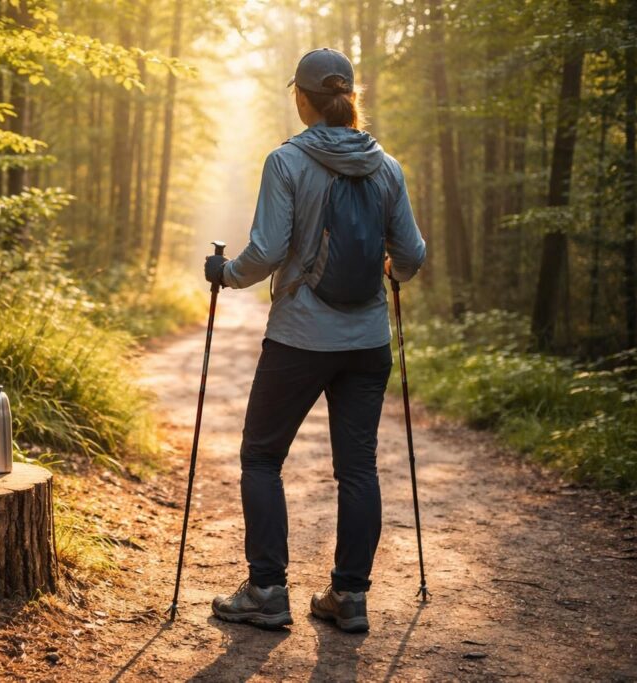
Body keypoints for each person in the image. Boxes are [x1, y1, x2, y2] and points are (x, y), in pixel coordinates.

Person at [204, 48, 427, 632]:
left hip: (299, 338)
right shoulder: (387, 167)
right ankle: (349, 597)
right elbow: (411, 254)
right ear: (350, 97)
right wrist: (393, 272)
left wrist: (225, 275)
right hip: (368, 341)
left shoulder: (286, 161)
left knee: (261, 457)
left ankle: (267, 591)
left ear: (302, 99)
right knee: (358, 469)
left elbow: (267, 251)